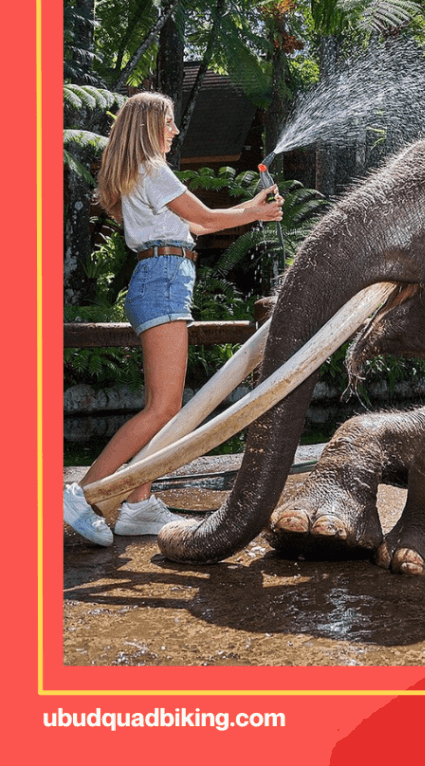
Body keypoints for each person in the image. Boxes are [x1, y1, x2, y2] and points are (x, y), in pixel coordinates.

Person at [63, 91, 285, 547]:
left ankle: (138, 503)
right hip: (163, 277)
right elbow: (203, 215)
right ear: (148, 125)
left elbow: (198, 227)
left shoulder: (138, 173)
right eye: (169, 122)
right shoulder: (151, 168)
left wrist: (251, 212)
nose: (175, 131)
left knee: (164, 408)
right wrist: (255, 211)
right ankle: (83, 495)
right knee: (163, 407)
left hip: (163, 275)